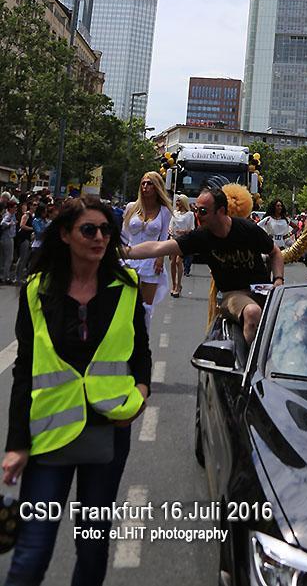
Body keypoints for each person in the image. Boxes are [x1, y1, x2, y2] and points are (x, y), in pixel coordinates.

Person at [2, 197, 150, 586]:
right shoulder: (37, 290)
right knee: (32, 553)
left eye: (106, 230)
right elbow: (24, 370)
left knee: (92, 544)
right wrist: (17, 444)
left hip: (110, 430)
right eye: (89, 229)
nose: (100, 237)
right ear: (66, 235)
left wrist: (141, 393)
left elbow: (141, 352)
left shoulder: (126, 287)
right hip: (49, 434)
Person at [127, 186, 284, 343]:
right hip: (233, 295)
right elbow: (158, 247)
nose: (198, 215)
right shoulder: (201, 237)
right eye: (196, 210)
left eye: (203, 211)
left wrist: (278, 280)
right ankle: (254, 358)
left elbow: (275, 252)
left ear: (221, 211)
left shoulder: (248, 229)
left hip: (263, 292)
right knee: (252, 312)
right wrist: (124, 252)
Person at [122, 172, 173, 331]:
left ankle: (143, 337)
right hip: (130, 259)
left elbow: (163, 238)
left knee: (146, 307)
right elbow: (123, 235)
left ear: (157, 187)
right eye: (143, 183)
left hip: (151, 261)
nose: (145, 187)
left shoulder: (164, 211)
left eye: (149, 183)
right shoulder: (131, 207)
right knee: (126, 303)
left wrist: (160, 258)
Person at [168, 194, 195, 297]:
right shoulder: (175, 213)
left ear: (183, 202)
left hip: (183, 240)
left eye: (179, 201)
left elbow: (192, 229)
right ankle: (174, 284)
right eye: (177, 201)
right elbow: (171, 225)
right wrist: (170, 231)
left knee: (178, 261)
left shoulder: (190, 214)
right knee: (172, 262)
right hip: (173, 239)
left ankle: (179, 285)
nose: (177, 203)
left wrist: (183, 231)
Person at [1, 199, 18, 284]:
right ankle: (5, 277)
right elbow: (3, 223)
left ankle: (3, 276)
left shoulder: (12, 215)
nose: (15, 209)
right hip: (7, 238)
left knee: (5, 258)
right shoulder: (8, 215)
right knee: (9, 258)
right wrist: (10, 224)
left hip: (8, 237)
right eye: (14, 207)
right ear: (10, 208)